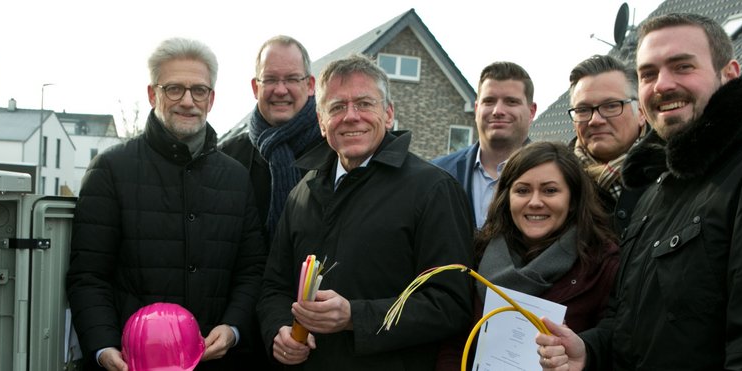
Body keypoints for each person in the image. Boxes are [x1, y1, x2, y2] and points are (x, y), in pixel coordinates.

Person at [536, 13, 742, 370]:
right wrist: (589, 352)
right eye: (648, 74)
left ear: (729, 74)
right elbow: (631, 325)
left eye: (682, 66)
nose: (663, 85)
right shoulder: (660, 185)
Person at [257, 54, 475, 370]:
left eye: (364, 104)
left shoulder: (434, 189)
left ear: (388, 114)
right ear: (321, 122)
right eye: (336, 107)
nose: (351, 116)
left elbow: (450, 305)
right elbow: (274, 287)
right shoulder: (301, 193)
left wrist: (355, 318)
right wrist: (278, 329)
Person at [67, 37, 265, 371]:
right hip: (132, 363)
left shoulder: (235, 177)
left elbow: (252, 270)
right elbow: (89, 275)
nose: (188, 101)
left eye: (199, 90)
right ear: (152, 94)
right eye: (174, 89)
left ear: (211, 99)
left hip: (213, 361)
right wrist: (103, 347)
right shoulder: (111, 169)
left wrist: (233, 328)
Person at [476, 141, 619, 333]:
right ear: (506, 198)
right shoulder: (476, 254)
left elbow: (610, 344)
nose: (535, 202)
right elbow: (454, 343)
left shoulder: (603, 265)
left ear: (573, 200)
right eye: (522, 190)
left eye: (550, 191)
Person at [219, 35, 325, 240]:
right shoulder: (228, 158)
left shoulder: (335, 153)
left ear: (311, 85)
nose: (280, 90)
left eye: (292, 79)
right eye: (270, 79)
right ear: (255, 87)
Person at [434, 62, 537, 228]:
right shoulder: (437, 174)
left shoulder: (555, 176)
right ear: (476, 109)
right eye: (489, 101)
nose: (498, 110)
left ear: (531, 112)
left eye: (511, 102)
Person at [565, 55, 647, 233]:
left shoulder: (676, 173)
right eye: (583, 110)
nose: (595, 120)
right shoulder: (559, 182)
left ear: (641, 112)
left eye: (611, 106)